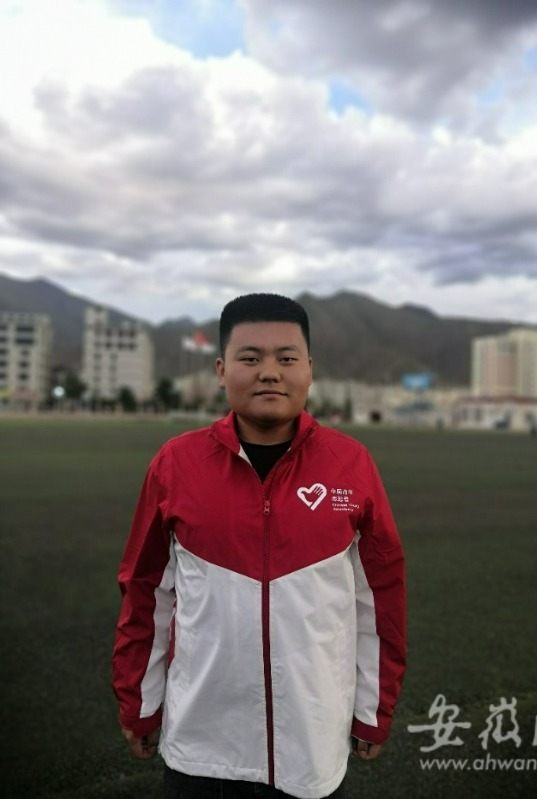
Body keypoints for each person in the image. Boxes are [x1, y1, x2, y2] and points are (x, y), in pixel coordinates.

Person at [113, 293, 406, 799]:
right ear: (221, 370)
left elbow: (379, 600)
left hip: (312, 748)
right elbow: (145, 592)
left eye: (286, 358)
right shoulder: (175, 464)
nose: (269, 372)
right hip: (201, 746)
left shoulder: (351, 465)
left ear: (309, 369)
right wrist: (140, 702)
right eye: (250, 358)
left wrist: (372, 709)